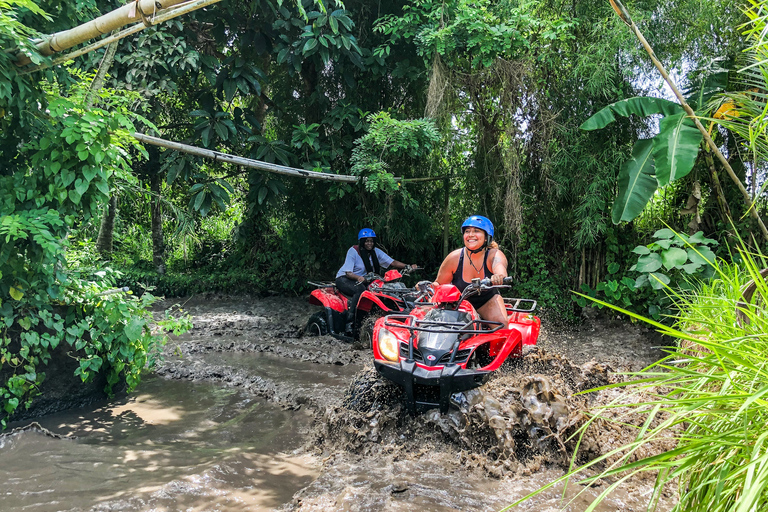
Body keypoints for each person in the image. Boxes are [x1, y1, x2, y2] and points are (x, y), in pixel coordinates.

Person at [432, 215, 509, 326]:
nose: (471, 235)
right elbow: (439, 283)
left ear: (486, 237)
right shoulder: (454, 258)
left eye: (476, 231)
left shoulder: (494, 254)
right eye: (467, 231)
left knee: (501, 325)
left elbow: (500, 267)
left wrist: (499, 276)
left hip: (486, 301)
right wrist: (428, 287)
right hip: (457, 304)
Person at [335, 228, 417, 331]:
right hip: (345, 279)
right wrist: (359, 277)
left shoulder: (375, 252)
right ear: (362, 242)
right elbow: (348, 273)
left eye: (372, 241)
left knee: (381, 290)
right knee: (360, 290)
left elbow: (392, 263)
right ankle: (350, 322)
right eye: (367, 241)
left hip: (364, 279)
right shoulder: (353, 251)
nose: (369, 243)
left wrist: (407, 266)